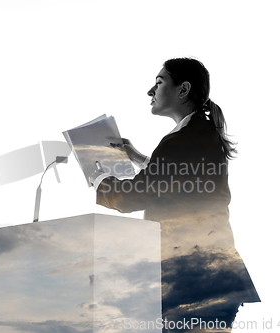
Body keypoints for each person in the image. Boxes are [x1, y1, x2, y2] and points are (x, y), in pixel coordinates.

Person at [90, 58, 260, 332]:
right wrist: (140, 159)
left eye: (159, 83)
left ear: (183, 90)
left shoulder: (181, 141)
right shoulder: (201, 133)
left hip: (192, 277)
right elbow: (180, 181)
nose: (150, 91)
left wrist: (97, 178)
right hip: (212, 274)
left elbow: (134, 197)